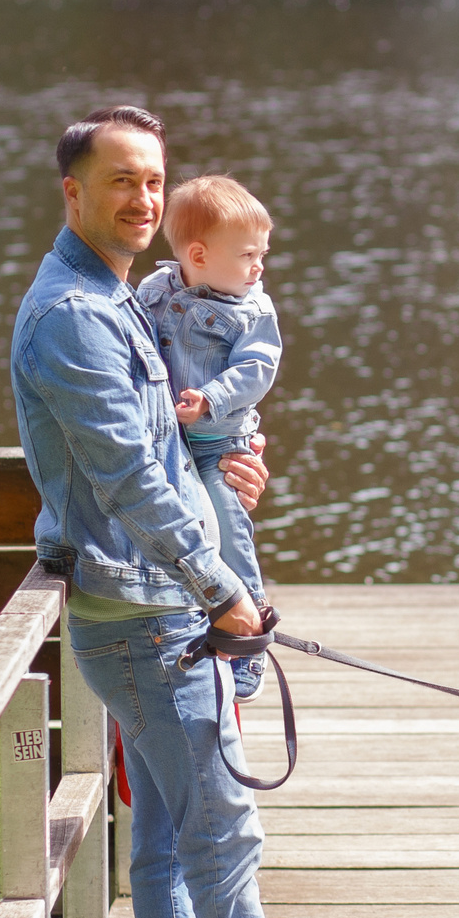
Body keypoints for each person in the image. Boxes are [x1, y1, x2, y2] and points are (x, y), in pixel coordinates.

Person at [9, 104, 387, 918]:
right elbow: (130, 481)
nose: (138, 199)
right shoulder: (77, 319)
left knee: (172, 836)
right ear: (72, 192)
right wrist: (224, 589)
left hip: (150, 607)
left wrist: (227, 469)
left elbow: (160, 452)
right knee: (222, 835)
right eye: (119, 180)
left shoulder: (119, 297)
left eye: (150, 180)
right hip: (148, 619)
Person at [136, 175, 279, 699]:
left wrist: (211, 399)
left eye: (261, 253)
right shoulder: (154, 292)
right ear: (198, 254)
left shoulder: (252, 309)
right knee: (197, 527)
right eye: (247, 255)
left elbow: (257, 370)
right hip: (169, 439)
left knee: (228, 524)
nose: (258, 266)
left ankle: (252, 634)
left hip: (219, 439)